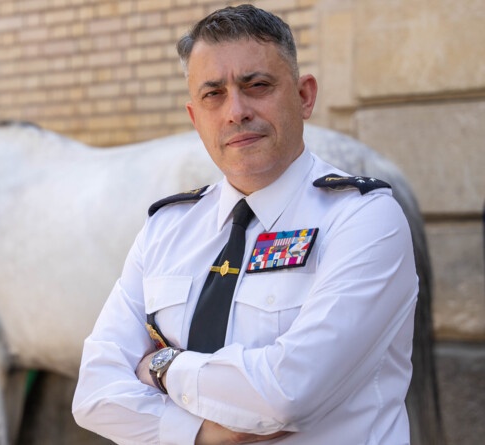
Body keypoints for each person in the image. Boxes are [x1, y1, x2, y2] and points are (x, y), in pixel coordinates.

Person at [72, 4, 417, 444]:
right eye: (213, 94)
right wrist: (199, 435)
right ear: (196, 117)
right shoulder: (166, 229)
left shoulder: (363, 219)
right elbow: (94, 393)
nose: (236, 111)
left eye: (257, 86)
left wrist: (162, 367)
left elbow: (288, 391)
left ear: (304, 96)